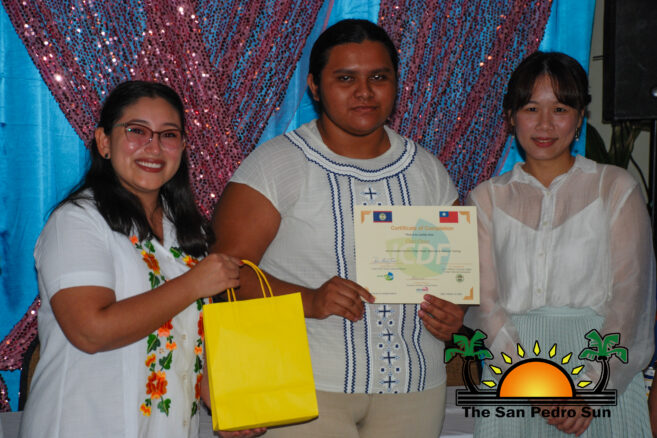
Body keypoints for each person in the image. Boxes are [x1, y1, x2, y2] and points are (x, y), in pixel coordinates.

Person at [211, 19, 464, 438]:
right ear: (314, 85)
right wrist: (309, 299)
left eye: (378, 77)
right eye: (345, 78)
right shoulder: (278, 163)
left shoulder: (427, 170)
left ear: (396, 83)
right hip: (302, 387)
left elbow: (454, 279)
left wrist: (454, 312)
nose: (364, 92)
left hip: (416, 387)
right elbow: (222, 275)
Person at [19, 81, 265, 438]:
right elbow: (90, 331)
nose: (154, 147)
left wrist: (217, 396)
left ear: (183, 147)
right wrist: (193, 284)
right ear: (104, 141)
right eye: (137, 131)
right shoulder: (77, 221)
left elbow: (181, 336)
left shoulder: (186, 230)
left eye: (169, 135)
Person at [465, 51, 655, 437]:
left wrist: (590, 390)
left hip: (603, 372)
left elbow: (630, 300)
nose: (545, 124)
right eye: (531, 108)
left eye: (561, 109)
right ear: (510, 116)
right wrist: (531, 381)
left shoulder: (615, 187)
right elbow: (485, 306)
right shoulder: (485, 199)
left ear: (581, 116)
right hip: (511, 370)